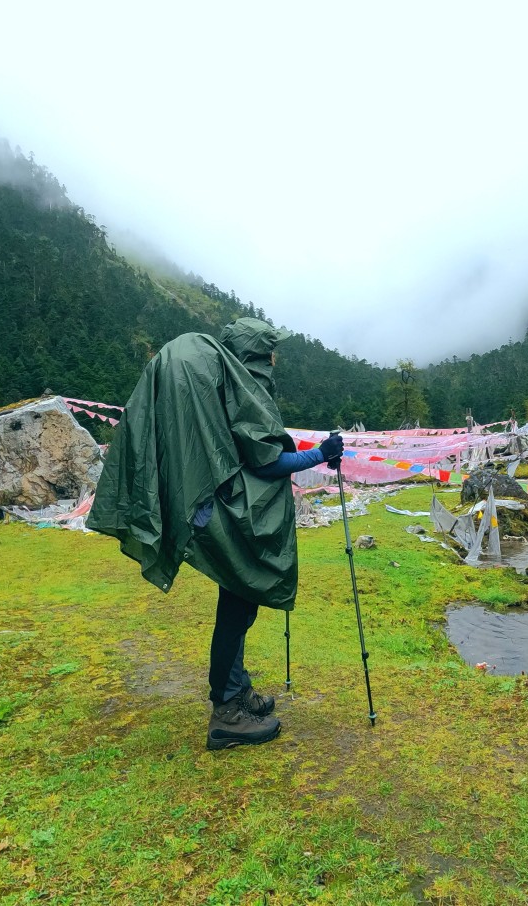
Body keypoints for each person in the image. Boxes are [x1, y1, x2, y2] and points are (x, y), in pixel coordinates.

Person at [86, 318, 343, 750]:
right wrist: (319, 454)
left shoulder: (218, 384)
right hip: (230, 517)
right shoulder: (242, 387)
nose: (274, 361)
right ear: (256, 356)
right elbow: (264, 463)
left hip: (212, 509)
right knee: (238, 605)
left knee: (238, 604)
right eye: (269, 353)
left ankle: (236, 691)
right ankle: (226, 713)